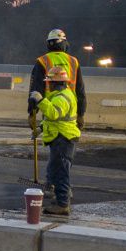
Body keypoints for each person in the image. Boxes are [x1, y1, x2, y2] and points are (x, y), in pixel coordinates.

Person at [28, 65, 80, 215]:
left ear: (55, 82)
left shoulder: (62, 98)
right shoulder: (59, 95)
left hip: (64, 138)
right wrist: (41, 129)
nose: (47, 84)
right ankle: (58, 195)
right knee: (53, 169)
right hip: (60, 136)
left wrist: (40, 100)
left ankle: (63, 204)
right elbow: (53, 120)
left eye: (49, 82)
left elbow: (53, 113)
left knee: (61, 171)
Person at [27, 29, 88, 134]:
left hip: (50, 108)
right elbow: (80, 90)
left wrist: (32, 113)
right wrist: (81, 114)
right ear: (64, 43)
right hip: (70, 109)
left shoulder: (42, 61)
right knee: (67, 140)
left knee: (54, 140)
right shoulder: (73, 61)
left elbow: (36, 89)